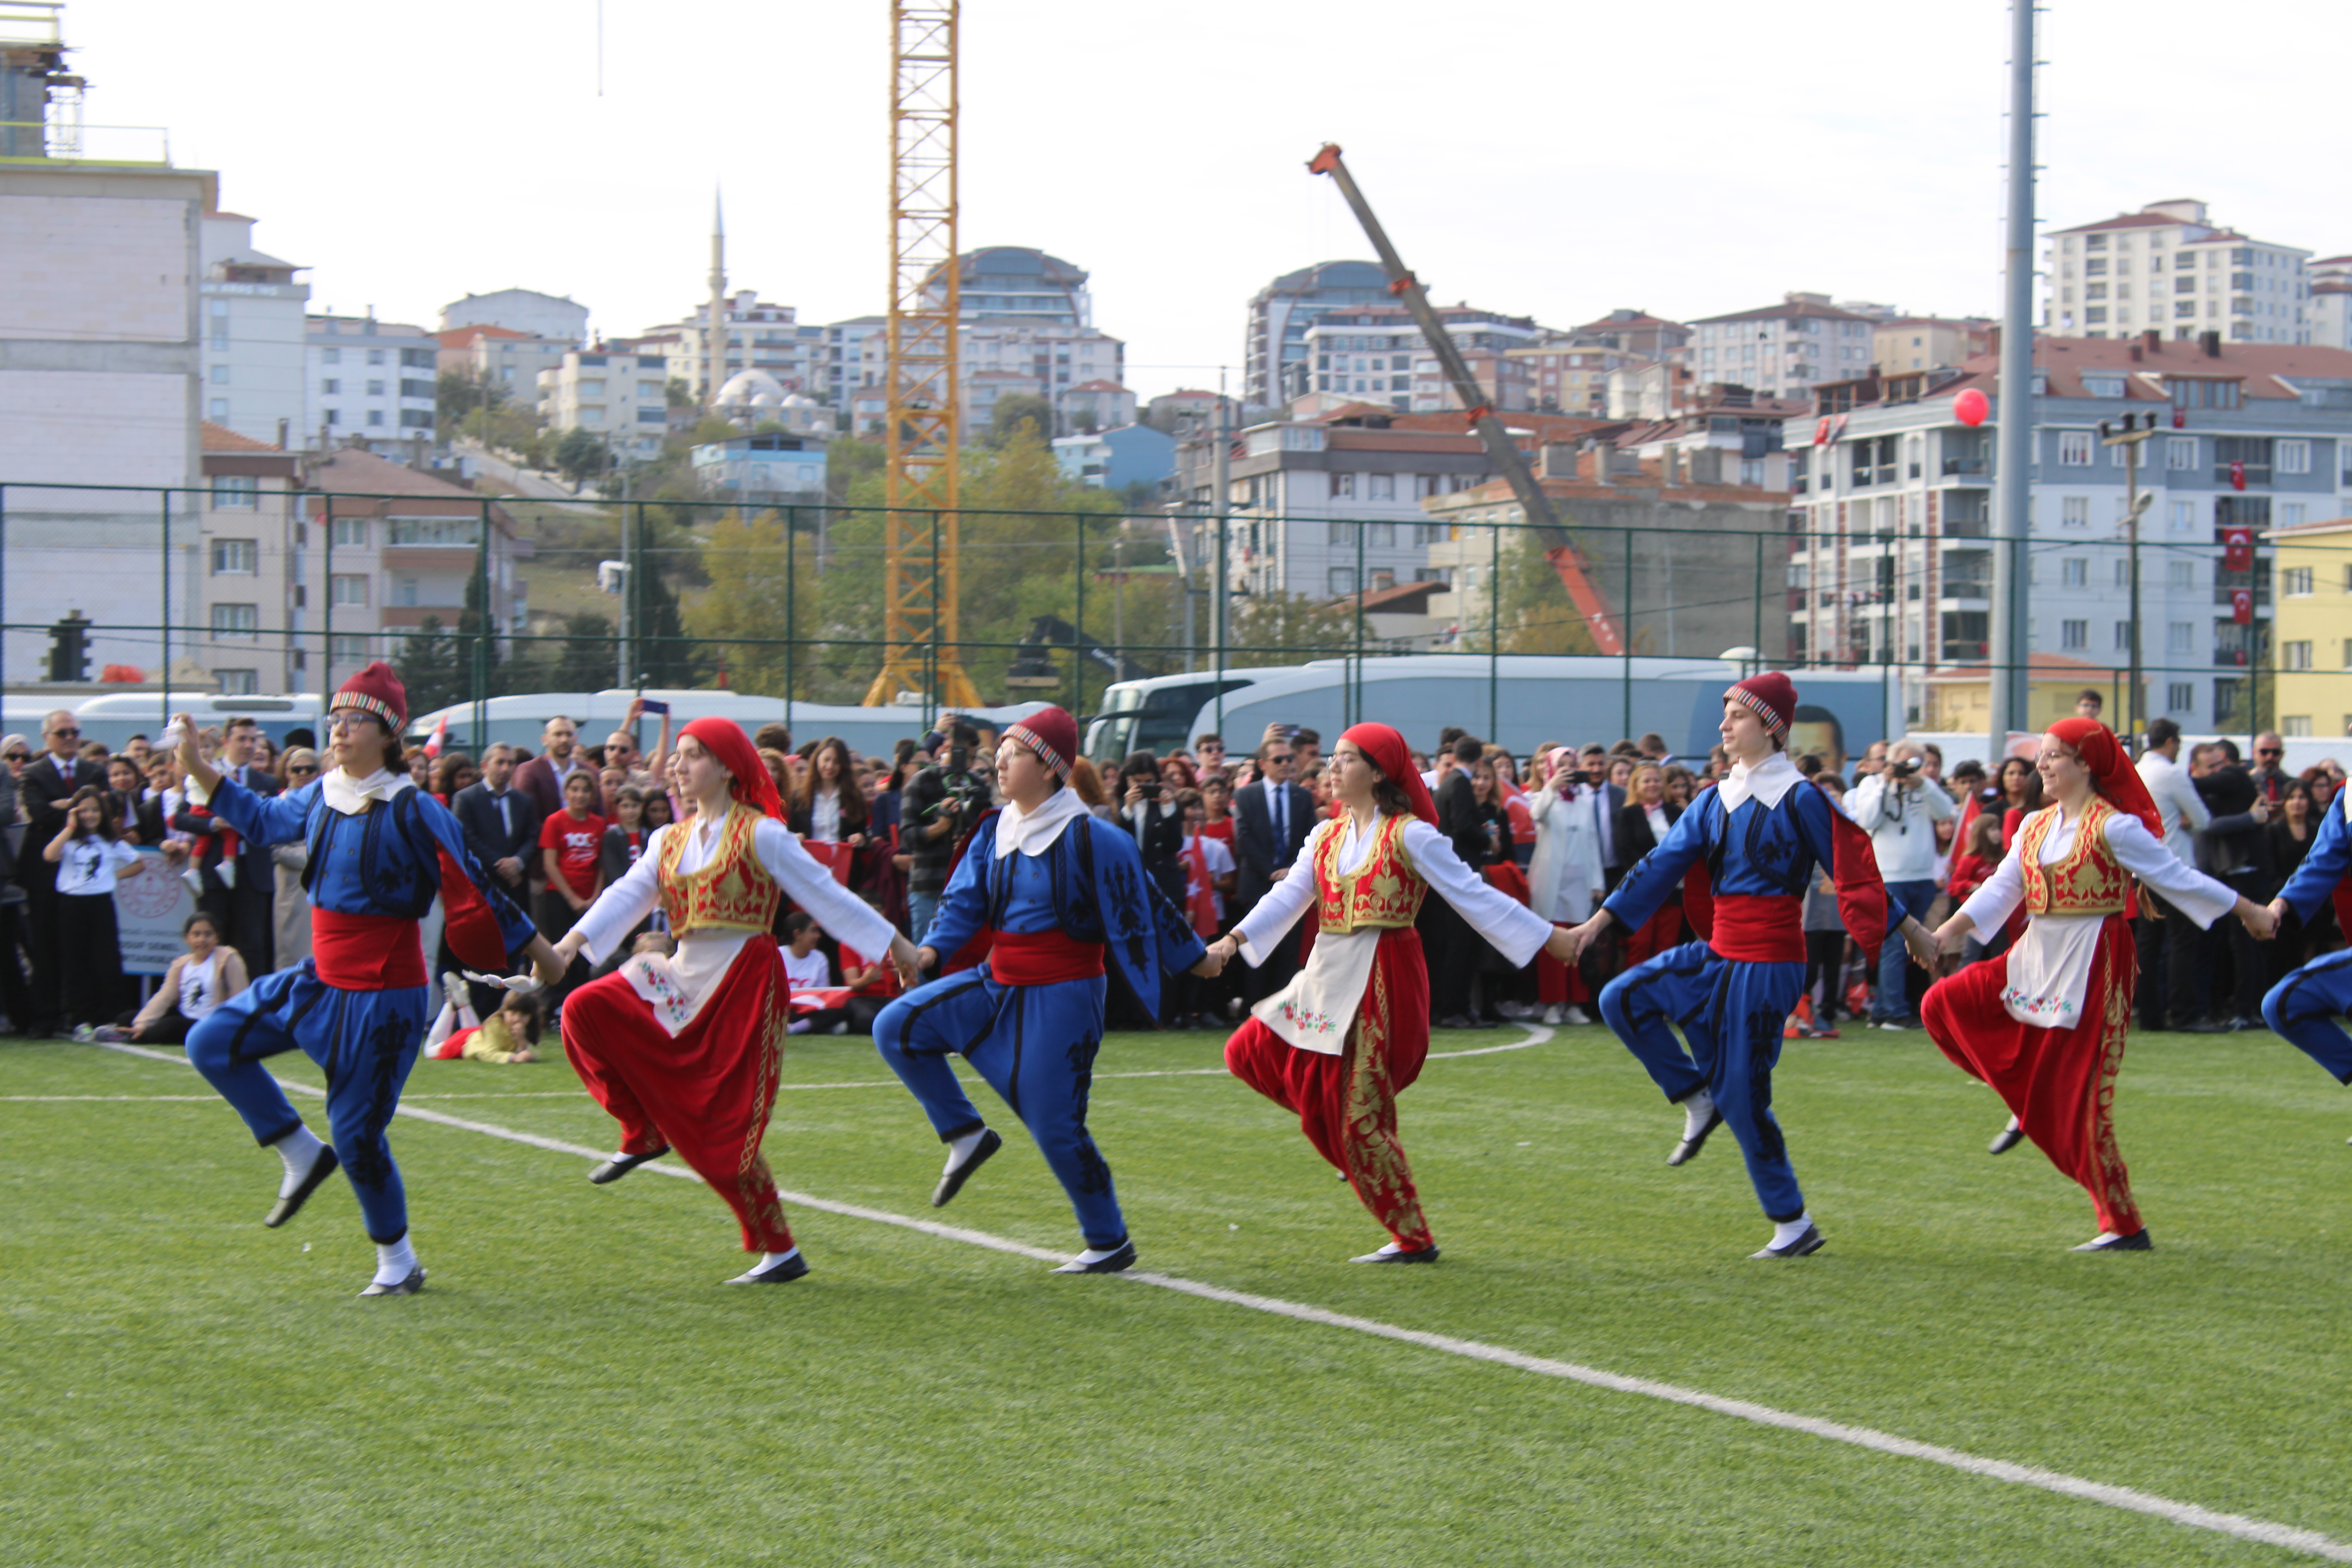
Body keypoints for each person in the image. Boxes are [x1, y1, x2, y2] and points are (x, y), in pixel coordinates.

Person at [178, 664, 559, 1297]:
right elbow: (263, 819)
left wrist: (543, 955)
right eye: (334, 719)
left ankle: (399, 1261)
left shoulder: (415, 807)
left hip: (386, 996)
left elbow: (474, 883)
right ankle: (300, 1153)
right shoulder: (324, 790)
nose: (338, 730)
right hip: (320, 980)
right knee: (209, 1043)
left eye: (352, 720)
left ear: (387, 735)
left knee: (357, 1135)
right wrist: (197, 765)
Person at [1565, 673, 1930, 1260]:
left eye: (1735, 714)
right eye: (1726, 714)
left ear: (1770, 726)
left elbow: (1854, 876)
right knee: (1622, 1000)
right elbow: (1660, 865)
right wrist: (1596, 924)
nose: (1723, 724)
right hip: (1718, 953)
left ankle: (1792, 1223)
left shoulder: (1803, 797)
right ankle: (1694, 1095)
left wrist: (1914, 930)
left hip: (1770, 963)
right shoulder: (1713, 798)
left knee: (1745, 1094)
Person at [550, 718, 918, 1284]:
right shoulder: (666, 839)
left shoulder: (762, 833)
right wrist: (567, 945)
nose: (679, 765)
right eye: (678, 755)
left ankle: (779, 1250)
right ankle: (641, 1131)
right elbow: (627, 895)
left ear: (726, 767)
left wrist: (898, 947)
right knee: (583, 1010)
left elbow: (826, 895)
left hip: (743, 981)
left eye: (694, 755)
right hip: (682, 974)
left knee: (724, 1128)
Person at [1204, 724, 1574, 1263]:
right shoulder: (1325, 835)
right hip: (1326, 974)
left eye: (1347, 759)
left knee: (1362, 1118)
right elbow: (1289, 897)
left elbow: (1471, 894)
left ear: (1378, 772)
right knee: (1247, 1054)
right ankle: (1343, 1144)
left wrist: (1550, 938)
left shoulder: (1411, 835)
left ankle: (1413, 1238)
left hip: (1385, 978)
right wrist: (1232, 942)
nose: (1332, 768)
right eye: (1332, 758)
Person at [873, 706, 1215, 1276]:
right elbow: (961, 903)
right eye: (1000, 751)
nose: (999, 760)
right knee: (896, 1027)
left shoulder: (1094, 838)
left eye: (1015, 752)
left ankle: (1108, 1242)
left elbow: (1148, 902)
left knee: (1056, 1127)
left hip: (1066, 994)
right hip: (997, 980)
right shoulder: (993, 828)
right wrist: (929, 953)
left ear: (1051, 767)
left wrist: (1199, 958)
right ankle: (965, 1133)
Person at [1921, 720, 2272, 1251]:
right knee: (1943, 1003)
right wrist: (1941, 934)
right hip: (2035, 953)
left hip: (2094, 961)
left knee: (2086, 1103)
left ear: (2087, 765)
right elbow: (2002, 890)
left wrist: (2250, 910)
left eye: (2055, 756)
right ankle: (2024, 1104)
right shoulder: (2034, 825)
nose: (2042, 764)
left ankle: (2124, 1225)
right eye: (2041, 754)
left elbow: (2178, 879)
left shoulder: (2115, 827)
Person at [1847, 741, 1955, 1031]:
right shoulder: (1871, 784)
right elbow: (1869, 819)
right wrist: (1886, 783)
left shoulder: (1924, 787)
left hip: (1921, 877)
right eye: (1903, 763)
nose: (1908, 769)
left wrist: (1922, 783)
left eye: (1915, 763)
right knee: (1895, 945)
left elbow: (1946, 812)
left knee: (1908, 945)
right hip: (1889, 875)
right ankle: (1894, 1012)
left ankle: (1884, 1011)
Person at [18, 710, 106, 1034]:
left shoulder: (94, 770)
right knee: (44, 943)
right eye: (62, 733)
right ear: (47, 738)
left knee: (82, 944)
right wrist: (79, 806)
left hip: (86, 872)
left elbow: (100, 811)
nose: (70, 738)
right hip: (45, 870)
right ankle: (46, 1014)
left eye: (75, 732)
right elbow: (39, 812)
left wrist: (62, 806)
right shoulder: (33, 772)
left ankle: (80, 1013)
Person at [45, 784, 143, 1036]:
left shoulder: (110, 840)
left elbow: (138, 863)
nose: (89, 815)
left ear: (103, 813)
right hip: (70, 905)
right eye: (84, 811)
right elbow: (49, 855)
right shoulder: (69, 839)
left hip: (101, 905)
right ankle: (79, 1019)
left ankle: (111, 1019)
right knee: (75, 963)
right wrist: (69, 827)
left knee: (106, 961)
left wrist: (112, 876)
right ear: (76, 812)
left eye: (95, 810)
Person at [1230, 736, 1317, 1004]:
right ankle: (1254, 1013)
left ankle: (1283, 1013)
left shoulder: (1301, 796)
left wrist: (1291, 871)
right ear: (1263, 764)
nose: (1285, 764)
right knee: (1256, 950)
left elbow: (1310, 838)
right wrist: (1271, 871)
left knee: (1288, 955)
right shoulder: (1246, 794)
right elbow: (1244, 838)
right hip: (1257, 883)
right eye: (1278, 760)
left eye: (1289, 759)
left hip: (1294, 886)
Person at [1525, 746, 1605, 1027]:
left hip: (1580, 881)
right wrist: (1551, 787)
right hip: (1552, 881)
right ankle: (1553, 1002)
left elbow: (1594, 841)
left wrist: (1598, 881)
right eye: (1563, 766)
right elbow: (1536, 815)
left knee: (1578, 941)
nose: (1568, 771)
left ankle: (1575, 1003)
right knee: (1553, 940)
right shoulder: (1542, 798)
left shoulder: (1585, 802)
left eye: (1572, 766)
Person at [900, 722, 987, 943]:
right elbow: (908, 837)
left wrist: (970, 842)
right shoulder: (921, 782)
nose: (967, 763)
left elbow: (990, 834)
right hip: (928, 886)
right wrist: (940, 826)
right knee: (924, 955)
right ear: (947, 746)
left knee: (961, 957)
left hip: (967, 887)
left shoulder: (977, 785)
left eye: (972, 757)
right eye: (963, 755)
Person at [107, 911, 248, 1045]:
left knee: (170, 1026)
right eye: (196, 935)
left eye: (208, 934)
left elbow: (241, 998)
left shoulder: (228, 958)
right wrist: (142, 1024)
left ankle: (135, 1037)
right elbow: (164, 997)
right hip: (183, 1015)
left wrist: (234, 1029)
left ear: (217, 938)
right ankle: (134, 1031)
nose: (202, 940)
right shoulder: (181, 964)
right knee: (126, 1018)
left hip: (208, 1024)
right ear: (187, 938)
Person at [536, 771, 609, 981]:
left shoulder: (599, 824)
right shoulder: (555, 821)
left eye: (586, 790)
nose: (580, 795)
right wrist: (572, 899)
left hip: (590, 898)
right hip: (560, 897)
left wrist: (595, 896)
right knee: (560, 949)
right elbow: (550, 864)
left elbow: (602, 865)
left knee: (586, 954)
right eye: (575, 789)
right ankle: (558, 1002)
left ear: (593, 796)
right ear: (566, 793)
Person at [1612, 762, 1684, 970]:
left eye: (1657, 780)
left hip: (1673, 889)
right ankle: (1634, 996)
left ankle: (1662, 996)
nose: (1652, 784)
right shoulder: (1627, 814)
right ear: (1636, 785)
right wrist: (1655, 874)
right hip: (1641, 890)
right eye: (1647, 781)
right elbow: (1625, 851)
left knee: (1667, 946)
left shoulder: (1675, 812)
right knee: (1639, 945)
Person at [425, 976, 543, 1064]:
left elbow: (533, 1055)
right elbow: (487, 1053)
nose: (517, 1019)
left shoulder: (528, 1028)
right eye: (513, 1013)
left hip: (477, 1034)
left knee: (477, 1034)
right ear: (503, 1012)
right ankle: (451, 1004)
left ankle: (462, 1003)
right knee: (429, 1051)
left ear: (531, 1017)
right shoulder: (496, 1023)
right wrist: (513, 1058)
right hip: (464, 1044)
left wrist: (521, 1040)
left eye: (523, 1015)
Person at [513, 715, 594, 822]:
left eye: (569, 735)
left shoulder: (590, 773)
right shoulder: (529, 771)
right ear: (545, 740)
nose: (564, 740)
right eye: (558, 734)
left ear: (575, 740)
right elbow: (524, 816)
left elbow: (597, 813)